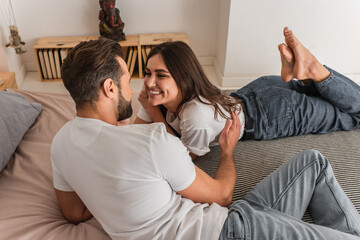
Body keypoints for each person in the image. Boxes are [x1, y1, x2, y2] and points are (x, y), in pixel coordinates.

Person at [51, 37, 360, 239]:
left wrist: (101, 186)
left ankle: (312, 72)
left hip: (234, 210)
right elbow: (222, 195)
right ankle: (315, 71)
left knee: (314, 159)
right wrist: (227, 152)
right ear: (108, 89)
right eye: (125, 81)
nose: (134, 89)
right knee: (334, 140)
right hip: (232, 230)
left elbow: (75, 213)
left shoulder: (61, 144)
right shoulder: (151, 141)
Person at [134, 27, 360, 159]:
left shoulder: (195, 117)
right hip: (255, 91)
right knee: (343, 102)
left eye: (161, 75)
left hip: (271, 115)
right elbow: (133, 132)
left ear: (182, 78)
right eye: (147, 72)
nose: (150, 82)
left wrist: (154, 113)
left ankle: (315, 71)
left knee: (354, 116)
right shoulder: (161, 95)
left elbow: (182, 159)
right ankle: (313, 73)